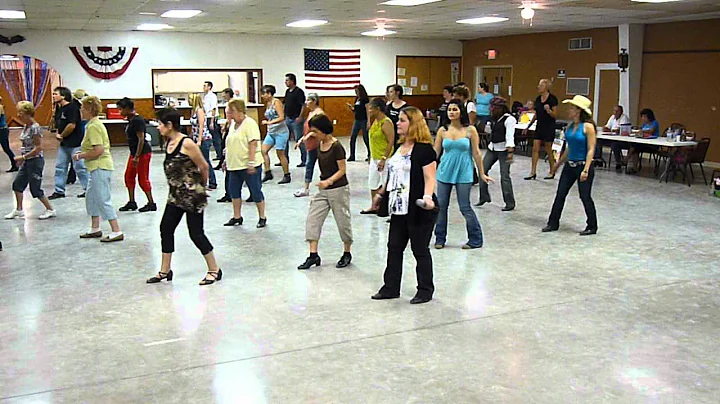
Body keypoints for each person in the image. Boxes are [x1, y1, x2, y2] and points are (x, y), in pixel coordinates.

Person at [370, 107, 439, 305]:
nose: (398, 123)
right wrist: (381, 194)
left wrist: (427, 196)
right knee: (394, 247)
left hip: (418, 208)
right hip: (398, 207)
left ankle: (425, 290)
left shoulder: (425, 150)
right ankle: (390, 287)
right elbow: (393, 175)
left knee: (419, 249)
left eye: (402, 120)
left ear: (413, 124)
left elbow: (430, 177)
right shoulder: (399, 149)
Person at [146, 108, 221, 286]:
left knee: (196, 233)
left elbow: (203, 166)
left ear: (170, 125)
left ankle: (214, 269)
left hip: (192, 196)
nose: (158, 127)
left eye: (160, 124)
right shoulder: (169, 143)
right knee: (166, 228)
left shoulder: (186, 143)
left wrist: (201, 187)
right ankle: (165, 270)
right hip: (175, 196)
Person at [433, 99, 491, 250]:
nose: (452, 112)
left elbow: (477, 153)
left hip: (464, 171)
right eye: (450, 109)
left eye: (455, 109)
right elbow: (435, 153)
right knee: (441, 206)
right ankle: (440, 238)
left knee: (465, 206)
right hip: (445, 171)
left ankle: (475, 239)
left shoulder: (470, 130)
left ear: (461, 112)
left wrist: (482, 173)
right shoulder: (442, 130)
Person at [297, 114, 353, 270]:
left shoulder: (337, 147)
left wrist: (329, 181)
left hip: (338, 189)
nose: (313, 134)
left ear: (323, 130)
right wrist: (304, 138)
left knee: (343, 222)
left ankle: (347, 252)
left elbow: (342, 170)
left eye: (315, 131)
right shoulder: (319, 142)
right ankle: (313, 255)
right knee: (313, 219)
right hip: (323, 191)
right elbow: (310, 134)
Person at [542, 95, 598, 236]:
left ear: (579, 110)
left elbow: (591, 149)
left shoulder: (588, 127)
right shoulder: (570, 126)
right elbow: (569, 148)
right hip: (570, 166)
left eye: (572, 108)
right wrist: (557, 164)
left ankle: (592, 225)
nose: (569, 110)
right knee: (560, 194)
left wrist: (586, 169)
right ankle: (552, 223)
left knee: (584, 196)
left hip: (583, 165)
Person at [73, 96, 124, 243]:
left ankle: (116, 230)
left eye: (82, 108)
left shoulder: (94, 126)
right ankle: (95, 227)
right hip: (94, 167)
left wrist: (81, 156)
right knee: (91, 197)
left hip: (100, 166)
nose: (80, 111)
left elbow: (98, 150)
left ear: (89, 109)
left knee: (102, 198)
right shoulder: (91, 124)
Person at [4, 101, 56, 220]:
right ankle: (19, 210)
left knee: (35, 189)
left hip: (35, 161)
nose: (18, 115)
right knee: (17, 185)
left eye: (21, 113)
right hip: (27, 161)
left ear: (28, 113)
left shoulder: (35, 128)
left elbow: (38, 148)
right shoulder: (25, 126)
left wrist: (23, 157)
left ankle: (50, 209)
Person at [223, 99, 267, 228]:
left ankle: (262, 217)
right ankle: (237, 216)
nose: (229, 115)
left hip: (248, 164)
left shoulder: (249, 123)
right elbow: (231, 143)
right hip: (234, 164)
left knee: (255, 191)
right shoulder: (232, 125)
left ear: (240, 111)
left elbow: (253, 143)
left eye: (231, 112)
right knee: (234, 191)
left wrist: (251, 162)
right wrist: (226, 160)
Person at [117, 97, 156, 212]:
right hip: (134, 153)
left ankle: (151, 203)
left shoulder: (137, 120)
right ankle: (132, 202)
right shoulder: (130, 119)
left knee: (143, 179)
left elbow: (141, 139)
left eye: (121, 109)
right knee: (128, 176)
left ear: (128, 109)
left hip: (142, 153)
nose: (120, 112)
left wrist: (137, 157)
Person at [49, 86, 89, 199]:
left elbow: (72, 125)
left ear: (63, 96)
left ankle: (88, 189)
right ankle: (59, 191)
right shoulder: (59, 108)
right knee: (60, 167)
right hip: (64, 144)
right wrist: (58, 133)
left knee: (80, 167)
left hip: (75, 143)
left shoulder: (72, 108)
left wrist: (61, 135)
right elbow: (59, 124)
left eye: (55, 94)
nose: (53, 96)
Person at [478, 97, 516, 211]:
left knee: (504, 176)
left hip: (504, 150)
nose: (491, 109)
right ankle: (484, 196)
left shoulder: (509, 119)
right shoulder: (493, 118)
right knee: (482, 171)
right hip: (492, 148)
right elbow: (489, 131)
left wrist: (510, 152)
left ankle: (509, 202)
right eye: (491, 107)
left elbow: (510, 135)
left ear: (501, 108)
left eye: (494, 107)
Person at [360, 98, 395, 214]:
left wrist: (384, 159)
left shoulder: (386, 122)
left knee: (386, 184)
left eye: (371, 108)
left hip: (385, 158)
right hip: (374, 157)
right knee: (373, 182)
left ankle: (387, 207)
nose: (369, 111)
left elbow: (391, 142)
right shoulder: (375, 121)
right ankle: (374, 206)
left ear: (378, 109)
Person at [524, 79, 558, 180]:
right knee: (535, 148)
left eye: (541, 85)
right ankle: (533, 172)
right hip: (539, 126)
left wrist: (549, 111)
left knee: (548, 149)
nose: (538, 87)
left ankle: (552, 170)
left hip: (549, 126)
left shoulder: (552, 99)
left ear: (546, 87)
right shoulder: (538, 99)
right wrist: (528, 126)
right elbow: (536, 114)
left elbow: (555, 115)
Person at [293, 93, 324, 197]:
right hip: (310, 143)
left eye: (308, 100)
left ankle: (324, 186)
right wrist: (302, 139)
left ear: (314, 101)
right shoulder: (311, 113)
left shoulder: (319, 114)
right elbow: (308, 129)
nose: (306, 102)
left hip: (318, 143)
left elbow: (322, 131)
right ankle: (306, 188)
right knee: (309, 164)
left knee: (319, 164)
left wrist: (308, 136)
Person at [260, 84, 291, 184]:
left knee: (280, 153)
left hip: (281, 132)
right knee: (263, 150)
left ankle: (287, 175)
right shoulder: (268, 103)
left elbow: (282, 117)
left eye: (264, 93)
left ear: (269, 94)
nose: (262, 96)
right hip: (271, 132)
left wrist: (269, 122)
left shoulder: (276, 102)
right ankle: (268, 172)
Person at [189, 93, 217, 190]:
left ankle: (212, 182)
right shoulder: (193, 111)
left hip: (204, 139)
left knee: (205, 161)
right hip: (196, 138)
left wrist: (199, 140)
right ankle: (201, 181)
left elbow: (201, 126)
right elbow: (194, 127)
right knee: (197, 162)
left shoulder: (199, 111)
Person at [626, 108, 660, 174]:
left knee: (635, 147)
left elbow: (651, 131)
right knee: (635, 147)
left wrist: (642, 131)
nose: (643, 118)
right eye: (642, 116)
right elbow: (641, 131)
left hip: (652, 144)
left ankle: (626, 159)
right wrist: (637, 130)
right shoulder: (644, 124)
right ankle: (634, 168)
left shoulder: (655, 123)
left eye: (645, 116)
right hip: (643, 143)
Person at [284, 73, 306, 167]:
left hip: (296, 119)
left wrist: (300, 117)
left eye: (287, 80)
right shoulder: (287, 91)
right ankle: (284, 159)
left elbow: (303, 105)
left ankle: (304, 159)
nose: (285, 82)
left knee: (299, 139)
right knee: (284, 139)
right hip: (287, 118)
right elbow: (285, 104)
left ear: (292, 81)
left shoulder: (299, 92)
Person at [217, 87, 235, 202]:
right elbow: (229, 120)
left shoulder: (232, 104)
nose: (222, 95)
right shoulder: (229, 104)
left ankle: (229, 193)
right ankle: (228, 193)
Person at [346, 84, 370, 162]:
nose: (356, 92)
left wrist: (368, 121)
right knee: (353, 137)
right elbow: (355, 110)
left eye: (357, 91)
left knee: (366, 138)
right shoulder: (357, 99)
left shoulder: (365, 99)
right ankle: (352, 155)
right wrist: (351, 108)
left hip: (364, 120)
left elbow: (367, 111)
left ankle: (370, 154)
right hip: (357, 120)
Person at [606, 105, 632, 170]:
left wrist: (611, 130)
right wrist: (607, 129)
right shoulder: (612, 117)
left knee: (615, 145)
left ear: (621, 112)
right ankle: (598, 160)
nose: (615, 112)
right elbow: (606, 127)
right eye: (614, 111)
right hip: (612, 138)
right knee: (598, 141)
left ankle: (618, 162)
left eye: (617, 111)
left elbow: (620, 130)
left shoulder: (624, 118)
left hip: (623, 141)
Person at [203, 81, 222, 160]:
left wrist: (211, 122)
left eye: (205, 86)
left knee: (216, 137)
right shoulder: (206, 96)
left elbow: (213, 108)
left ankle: (220, 155)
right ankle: (218, 154)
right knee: (214, 138)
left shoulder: (212, 96)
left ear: (209, 87)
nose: (203, 88)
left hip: (212, 118)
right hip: (207, 117)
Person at [0, 96, 18, 172]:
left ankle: (15, 164)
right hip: (2, 129)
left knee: (6, 148)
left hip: (2, 130)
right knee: (6, 148)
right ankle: (15, 164)